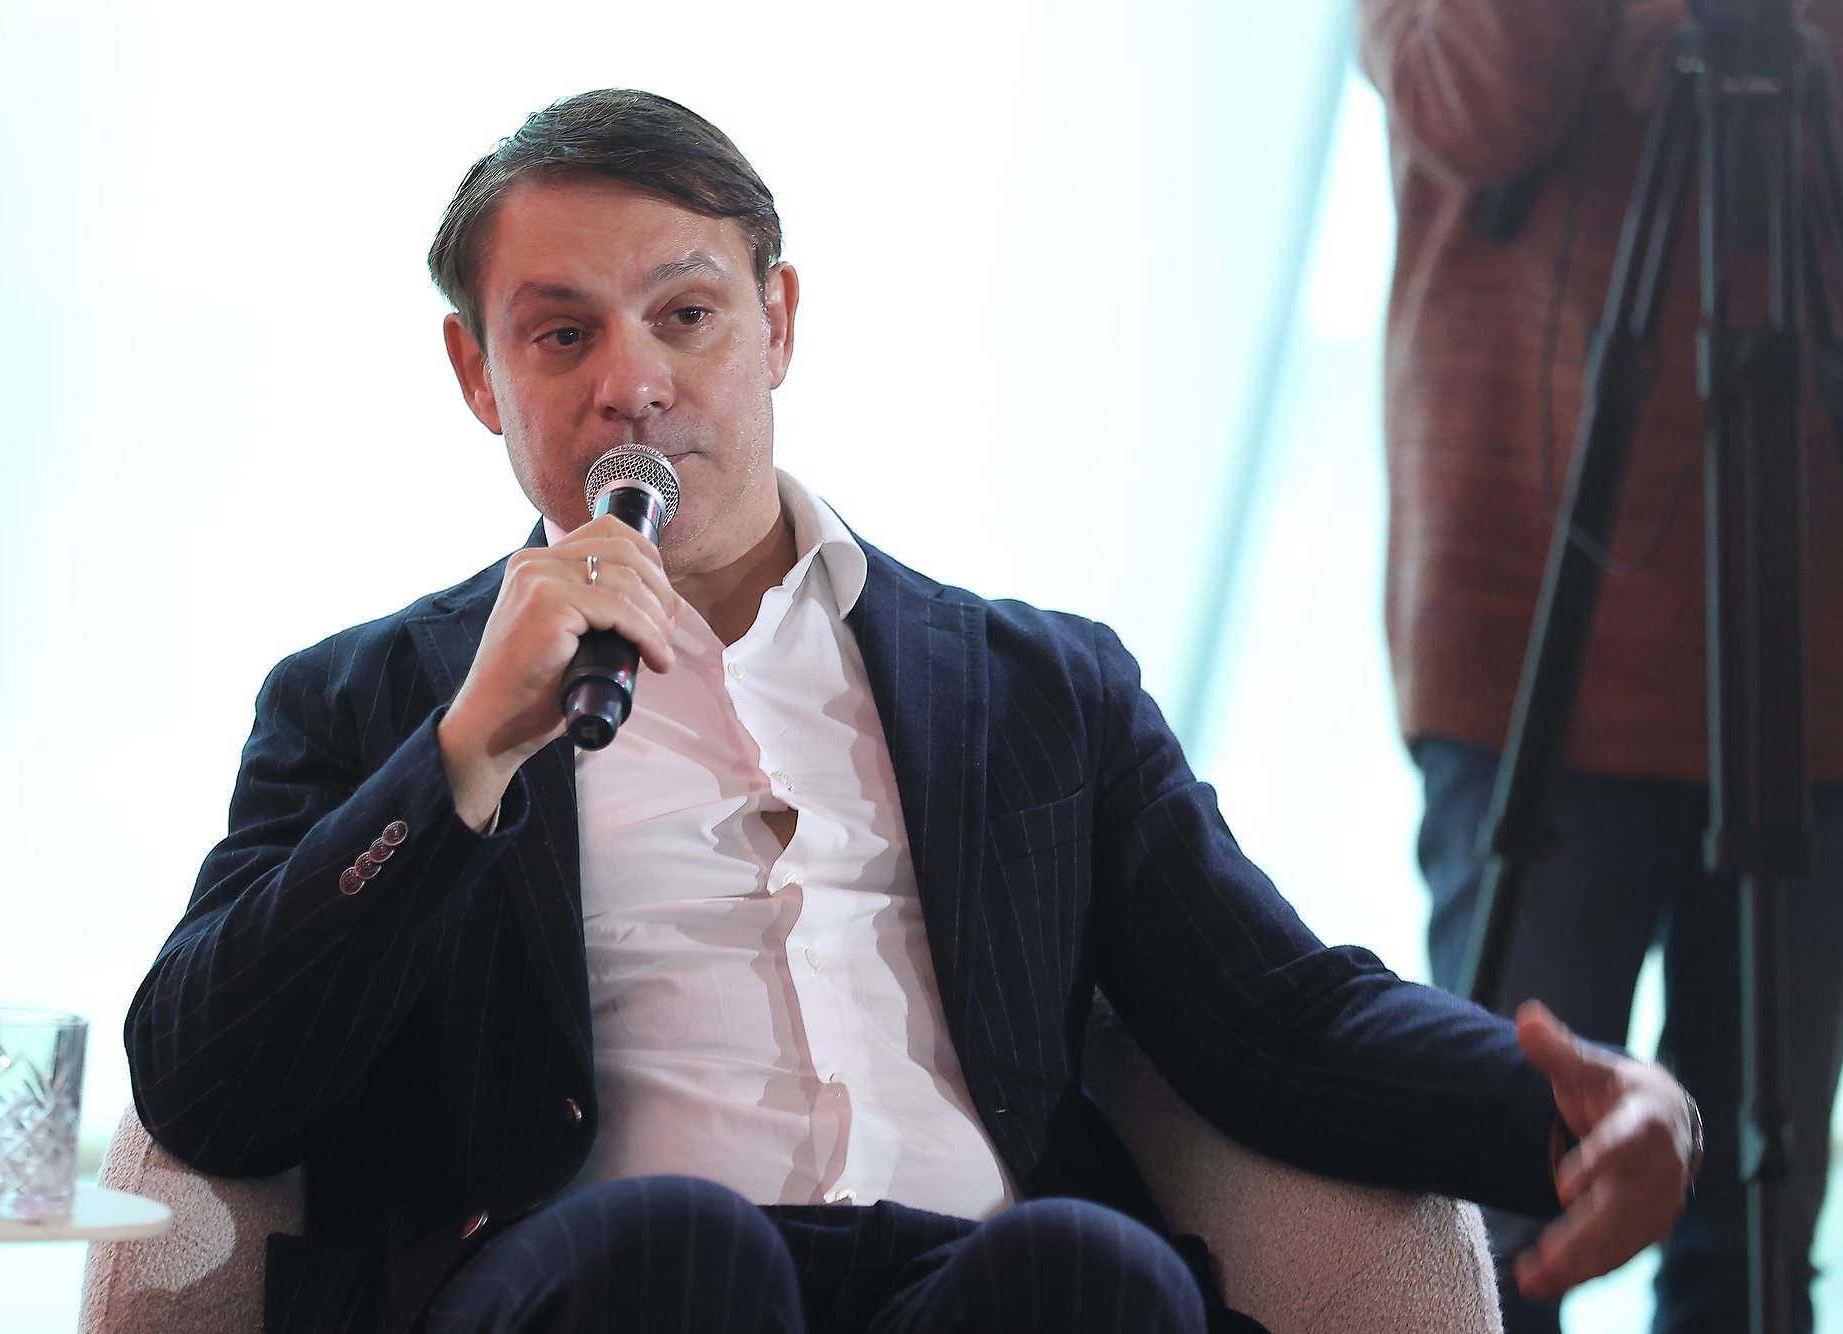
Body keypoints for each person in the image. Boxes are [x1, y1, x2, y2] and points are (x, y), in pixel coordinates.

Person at [125, 89, 1701, 1334]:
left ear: (779, 321)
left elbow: (1270, 1014)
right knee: (677, 1249)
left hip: (966, 1272)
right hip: (596, 1275)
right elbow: (207, 1084)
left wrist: (1567, 1107)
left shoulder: (1039, 686)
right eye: (562, 334)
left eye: (687, 315)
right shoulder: (371, 701)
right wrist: (463, 757)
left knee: (1095, 1272)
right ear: (480, 375)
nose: (634, 384)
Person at [1362, 3, 1843, 1331]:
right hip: (1531, 631)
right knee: (1491, 1225)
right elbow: (1470, 101)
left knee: (1758, 1241)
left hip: (1808, 652)